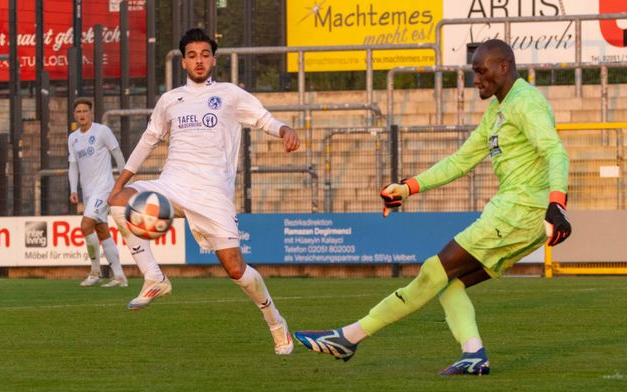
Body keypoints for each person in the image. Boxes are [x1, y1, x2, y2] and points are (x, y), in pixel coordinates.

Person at [294, 39, 572, 374]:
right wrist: (409, 187)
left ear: (504, 66)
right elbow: (460, 161)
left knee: (432, 272)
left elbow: (555, 151)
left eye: (481, 71)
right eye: (473, 72)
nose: (476, 80)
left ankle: (349, 336)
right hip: (520, 218)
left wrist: (557, 204)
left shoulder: (526, 102)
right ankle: (473, 355)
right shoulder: (498, 111)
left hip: (519, 211)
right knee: (448, 284)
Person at [107, 28, 300, 355]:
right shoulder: (170, 100)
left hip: (212, 194)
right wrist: (119, 184)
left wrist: (284, 129)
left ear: (213, 59)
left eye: (205, 55)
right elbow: (148, 141)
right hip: (172, 183)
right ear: (183, 61)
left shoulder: (230, 94)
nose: (199, 61)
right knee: (118, 205)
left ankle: (275, 322)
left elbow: (264, 119)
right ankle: (154, 277)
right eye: (193, 55)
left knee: (236, 269)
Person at [68, 98, 129, 288]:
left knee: (85, 226)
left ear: (91, 113)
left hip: (104, 188)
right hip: (87, 192)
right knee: (102, 231)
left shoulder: (102, 131)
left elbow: (117, 154)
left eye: (85, 111)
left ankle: (95, 272)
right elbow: (73, 166)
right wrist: (73, 189)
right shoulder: (73, 138)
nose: (82, 114)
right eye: (78, 111)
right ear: (74, 115)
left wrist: (122, 182)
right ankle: (119, 277)